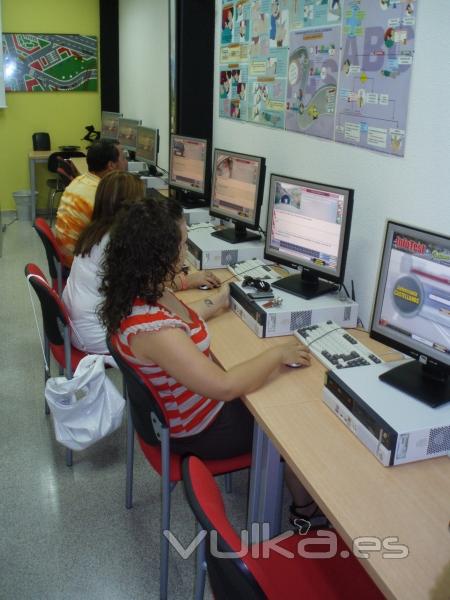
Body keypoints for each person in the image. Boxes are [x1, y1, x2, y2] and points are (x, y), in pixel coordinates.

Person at [99, 196, 324, 528]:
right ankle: (303, 511)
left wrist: (217, 303)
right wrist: (277, 354)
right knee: (286, 420)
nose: (185, 245)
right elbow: (225, 386)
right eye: (181, 240)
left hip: (187, 408)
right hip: (199, 429)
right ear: (160, 253)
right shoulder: (152, 329)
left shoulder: (144, 288)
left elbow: (182, 324)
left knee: (267, 385)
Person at [63, 172, 220, 355]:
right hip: (96, 333)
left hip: (78, 321)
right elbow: (153, 291)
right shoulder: (115, 244)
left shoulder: (96, 231)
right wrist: (190, 281)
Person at [55, 139, 128, 267]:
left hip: (65, 252)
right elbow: (119, 235)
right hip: (75, 260)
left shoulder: (82, 179)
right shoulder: (100, 195)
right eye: (124, 157)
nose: (126, 162)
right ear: (111, 165)